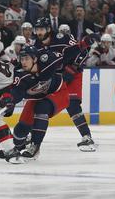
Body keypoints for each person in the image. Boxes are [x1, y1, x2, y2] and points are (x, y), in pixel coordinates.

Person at [34, 17, 96, 152]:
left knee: (73, 105)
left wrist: (72, 68)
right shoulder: (37, 44)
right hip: (56, 77)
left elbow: (83, 51)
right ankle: (31, 136)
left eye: (42, 29)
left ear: (49, 29)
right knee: (40, 103)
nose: (39, 32)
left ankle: (87, 137)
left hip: (73, 74)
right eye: (37, 29)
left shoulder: (62, 38)